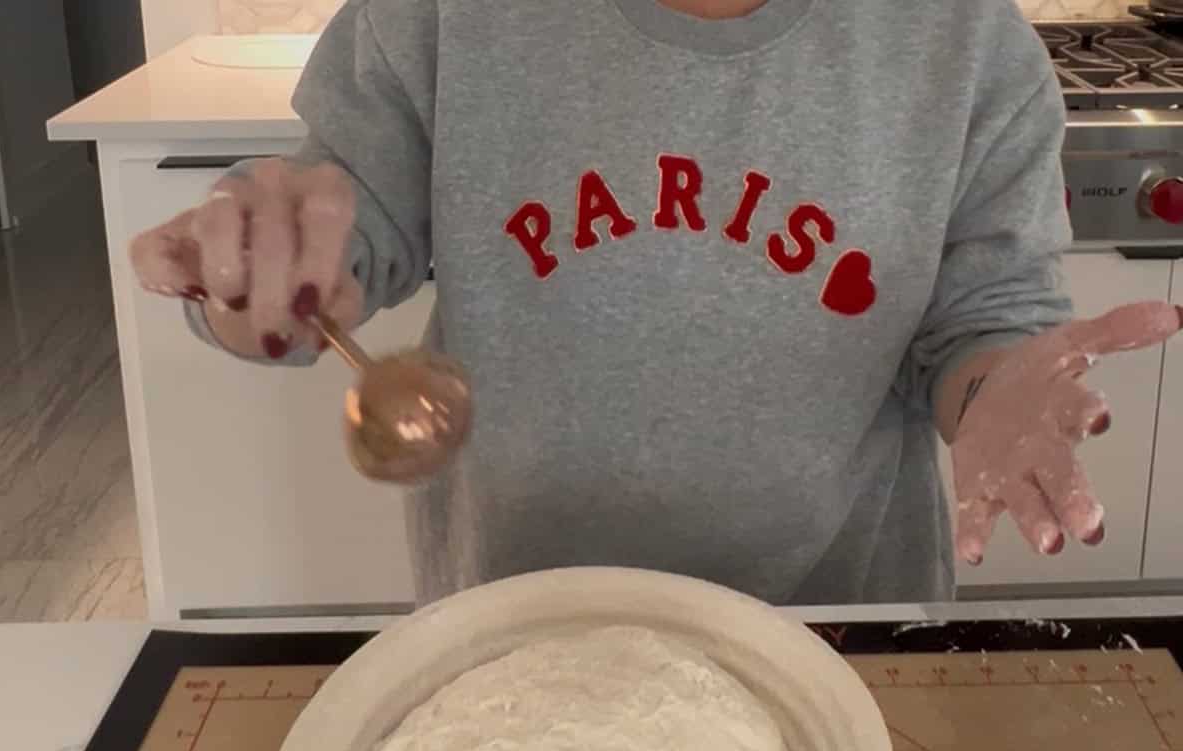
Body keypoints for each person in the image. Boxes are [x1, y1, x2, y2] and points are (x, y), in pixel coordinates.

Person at [130, 0, 1182, 608]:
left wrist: (998, 386)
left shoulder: (963, 43)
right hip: (520, 615)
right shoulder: (439, 13)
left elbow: (981, 320)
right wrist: (258, 278)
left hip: (834, 626)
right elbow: (345, 243)